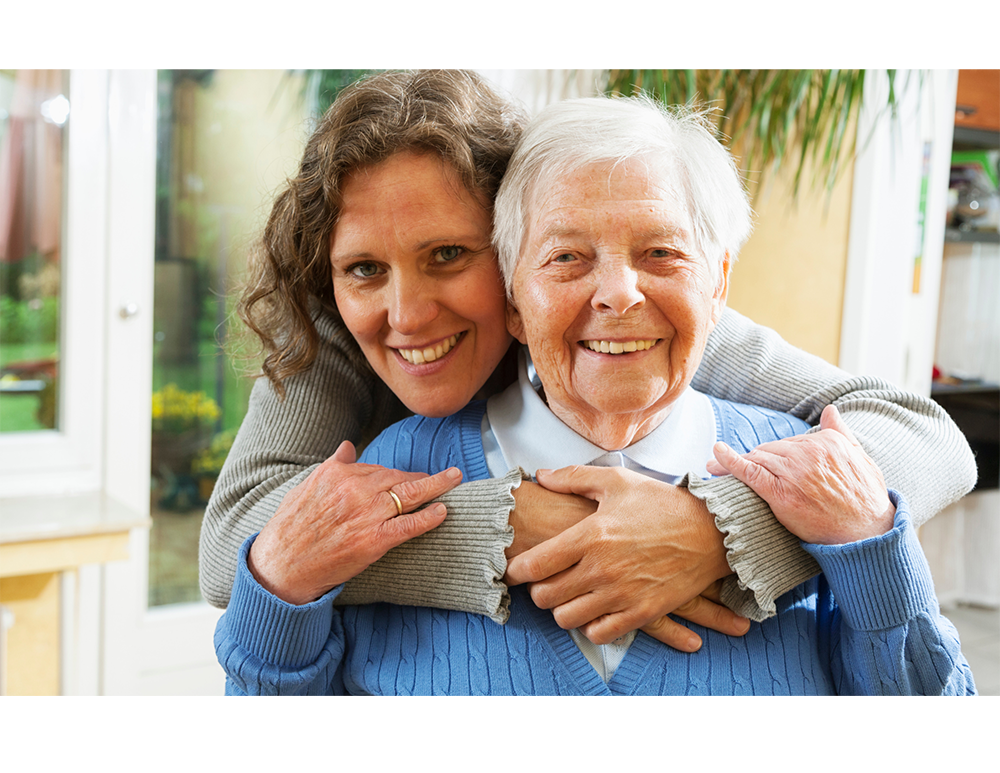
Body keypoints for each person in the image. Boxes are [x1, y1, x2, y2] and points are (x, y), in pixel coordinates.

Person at [215, 95, 975, 695]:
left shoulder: (722, 368)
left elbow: (927, 438)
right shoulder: (345, 368)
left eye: (448, 254)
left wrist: (722, 530)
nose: (618, 292)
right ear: (520, 289)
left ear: (717, 280)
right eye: (566, 255)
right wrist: (503, 524)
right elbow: (239, 559)